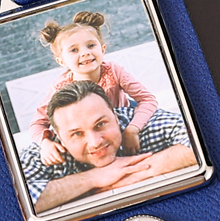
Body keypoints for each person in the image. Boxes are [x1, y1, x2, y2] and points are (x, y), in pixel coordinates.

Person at [20, 80, 196, 212]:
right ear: (60, 138)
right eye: (77, 133)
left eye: (100, 124)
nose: (95, 142)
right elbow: (16, 201)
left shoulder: (138, 123)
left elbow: (201, 141)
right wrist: (93, 178)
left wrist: (131, 173)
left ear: (115, 116)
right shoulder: (46, 152)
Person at [29, 10, 158, 165]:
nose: (85, 53)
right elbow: (38, 123)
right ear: (61, 61)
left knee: (153, 120)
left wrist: (133, 129)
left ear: (103, 49)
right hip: (92, 131)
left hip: (122, 116)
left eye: (91, 45)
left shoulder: (114, 71)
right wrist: (45, 144)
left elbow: (147, 99)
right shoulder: (61, 87)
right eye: (74, 50)